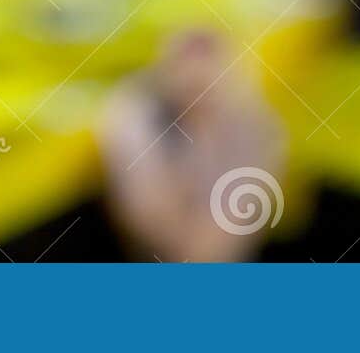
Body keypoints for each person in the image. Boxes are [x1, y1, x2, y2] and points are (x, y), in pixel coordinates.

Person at [99, 31, 286, 261]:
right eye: (192, 88)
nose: (198, 92)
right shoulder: (135, 112)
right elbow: (147, 209)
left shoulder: (257, 124)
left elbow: (240, 215)